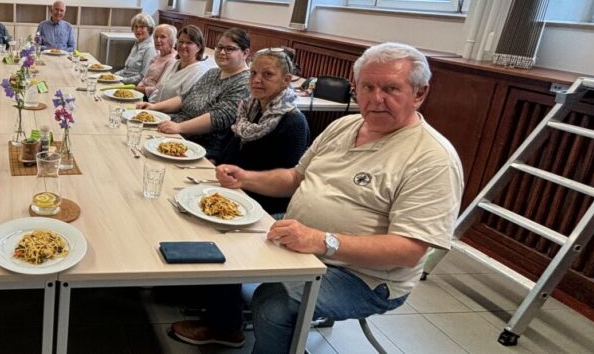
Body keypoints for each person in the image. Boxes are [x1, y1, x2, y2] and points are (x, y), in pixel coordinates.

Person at [170, 42, 463, 353]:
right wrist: (246, 178)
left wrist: (323, 241)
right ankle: (225, 327)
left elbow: (409, 250)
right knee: (223, 235)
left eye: (391, 88)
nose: (376, 99)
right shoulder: (345, 126)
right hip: (304, 236)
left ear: (419, 93)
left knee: (273, 305)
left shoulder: (432, 158)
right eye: (368, 87)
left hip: (364, 276)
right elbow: (295, 178)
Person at [216, 47, 309, 216]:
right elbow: (227, 148)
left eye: (267, 74)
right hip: (231, 191)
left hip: (261, 208)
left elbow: (285, 185)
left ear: (286, 80)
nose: (257, 80)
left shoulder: (293, 123)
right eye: (253, 73)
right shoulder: (249, 108)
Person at [136, 27, 251, 161]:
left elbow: (218, 118)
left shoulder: (244, 82)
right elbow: (184, 98)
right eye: (219, 47)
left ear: (245, 53)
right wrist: (154, 107)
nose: (222, 52)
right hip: (178, 131)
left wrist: (179, 127)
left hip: (200, 146)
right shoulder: (213, 73)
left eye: (229, 49)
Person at [148, 25, 216, 103]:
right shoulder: (175, 63)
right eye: (181, 41)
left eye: (189, 43)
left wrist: (154, 107)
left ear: (199, 47)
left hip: (169, 113)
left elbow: (183, 102)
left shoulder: (198, 71)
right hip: (152, 106)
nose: (183, 46)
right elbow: (158, 89)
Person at [134, 24, 177, 99]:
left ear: (171, 40)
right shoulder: (157, 56)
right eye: (156, 37)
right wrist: (137, 88)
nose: (158, 40)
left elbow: (159, 89)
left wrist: (138, 90)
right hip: (141, 93)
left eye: (163, 37)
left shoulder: (172, 60)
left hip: (152, 98)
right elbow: (145, 79)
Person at [113, 13, 157, 84]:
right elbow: (127, 70)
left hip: (134, 86)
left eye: (142, 27)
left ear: (149, 29)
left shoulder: (150, 49)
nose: (138, 30)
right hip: (125, 80)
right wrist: (114, 75)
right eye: (136, 27)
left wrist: (121, 80)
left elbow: (143, 77)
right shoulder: (137, 43)